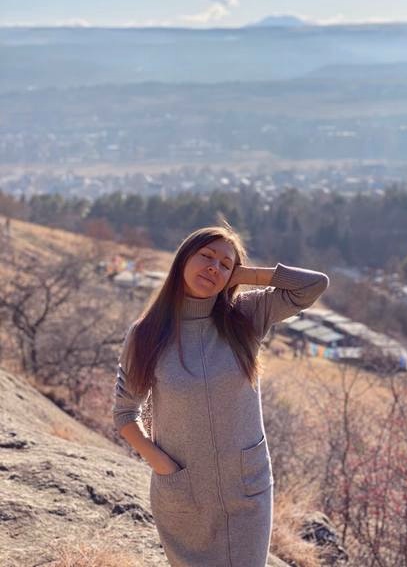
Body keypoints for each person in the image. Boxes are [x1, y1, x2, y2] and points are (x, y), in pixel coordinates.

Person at [112, 224, 330, 567]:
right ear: (183, 258)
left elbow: (313, 285)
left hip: (247, 489)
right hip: (183, 492)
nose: (214, 267)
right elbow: (125, 413)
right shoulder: (146, 334)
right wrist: (164, 466)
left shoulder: (246, 314)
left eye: (225, 264)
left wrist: (243, 274)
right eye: (206, 256)